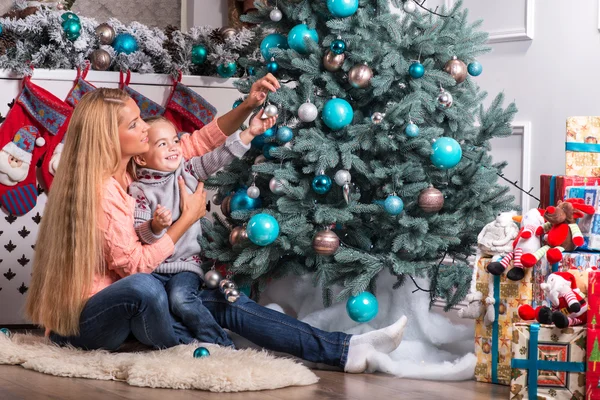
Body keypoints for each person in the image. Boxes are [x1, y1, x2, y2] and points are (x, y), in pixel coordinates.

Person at [25, 75, 407, 373]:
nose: (146, 128)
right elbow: (132, 267)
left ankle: (344, 350)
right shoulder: (102, 191)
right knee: (146, 287)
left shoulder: (129, 169)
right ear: (110, 138)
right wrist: (187, 218)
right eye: (135, 125)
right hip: (86, 320)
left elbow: (196, 145)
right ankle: (194, 348)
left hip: (134, 303)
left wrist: (247, 107)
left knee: (223, 299)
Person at [129, 112, 275, 347]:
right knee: (156, 310)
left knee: (180, 299)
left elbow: (219, 157)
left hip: (185, 265)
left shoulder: (187, 171)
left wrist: (249, 133)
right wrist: (155, 226)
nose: (173, 147)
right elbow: (142, 236)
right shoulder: (139, 191)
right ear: (141, 159)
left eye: (175, 140)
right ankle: (191, 344)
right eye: (162, 144)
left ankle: (221, 344)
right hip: (154, 271)